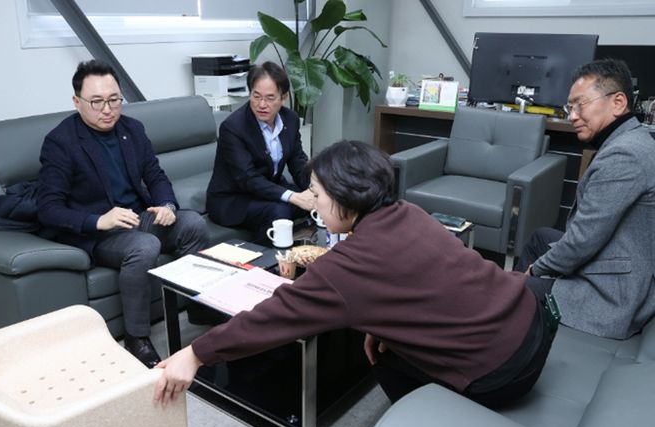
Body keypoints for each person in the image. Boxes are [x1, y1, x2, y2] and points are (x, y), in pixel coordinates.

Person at [153, 141, 555, 407]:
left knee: (383, 361)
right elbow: (425, 284)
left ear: (345, 196)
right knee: (381, 344)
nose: (313, 203)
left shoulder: (347, 266)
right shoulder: (407, 212)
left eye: (318, 193)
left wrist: (195, 353)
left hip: (502, 372)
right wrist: (384, 326)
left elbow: (272, 317)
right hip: (528, 316)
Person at [37, 60, 209, 368]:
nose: (107, 110)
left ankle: (197, 306)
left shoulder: (132, 129)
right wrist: (99, 221)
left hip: (138, 217)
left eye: (114, 100)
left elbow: (155, 175)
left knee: (193, 223)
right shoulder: (60, 142)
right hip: (99, 233)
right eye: (97, 102)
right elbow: (48, 208)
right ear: (77, 102)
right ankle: (136, 338)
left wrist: (167, 206)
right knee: (145, 246)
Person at [516, 59, 655, 339]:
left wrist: (534, 271)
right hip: (619, 257)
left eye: (580, 105)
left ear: (618, 102)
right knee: (540, 238)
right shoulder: (634, 139)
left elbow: (582, 241)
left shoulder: (624, 155)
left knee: (512, 288)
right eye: (570, 107)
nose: (572, 116)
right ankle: (521, 315)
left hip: (613, 295)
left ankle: (515, 314)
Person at [206, 61, 314, 237]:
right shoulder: (233, 127)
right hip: (234, 199)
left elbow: (298, 162)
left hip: (268, 190)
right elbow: (248, 178)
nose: (262, 104)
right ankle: (270, 255)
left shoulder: (290, 119)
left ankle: (314, 249)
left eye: (270, 98)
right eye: (256, 96)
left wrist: (313, 189)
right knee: (280, 212)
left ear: (284, 97)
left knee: (320, 200)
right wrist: (294, 197)